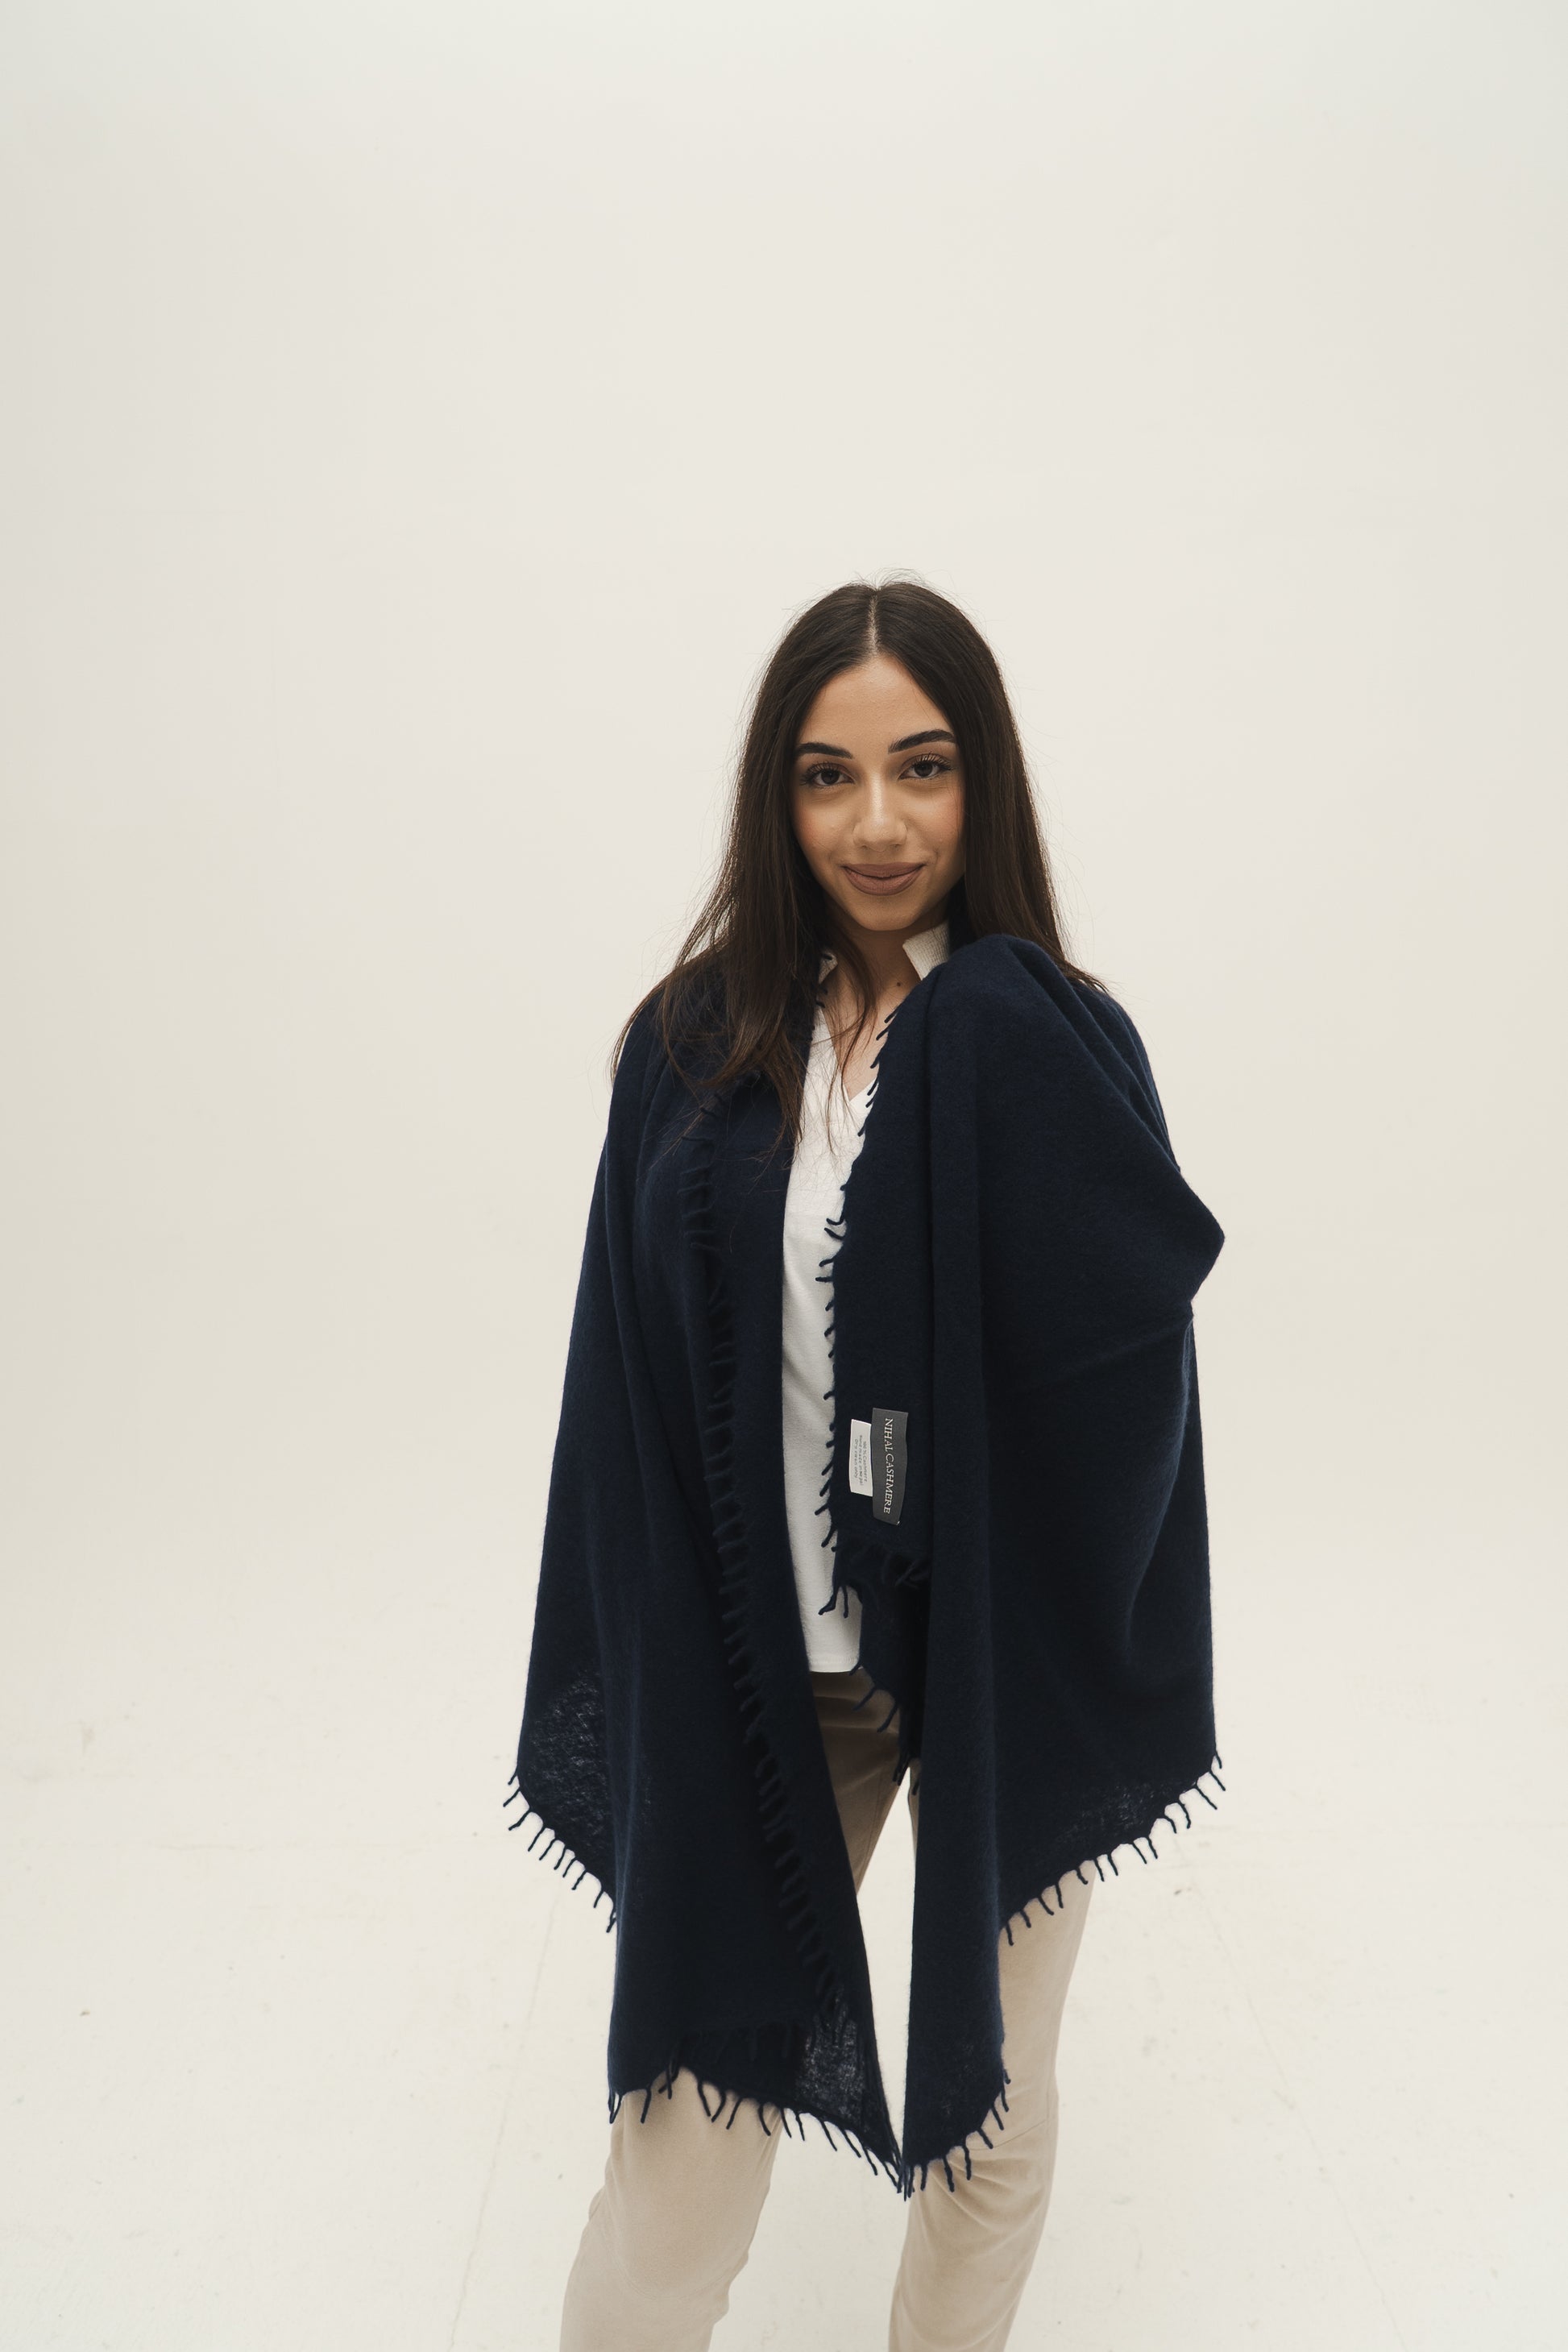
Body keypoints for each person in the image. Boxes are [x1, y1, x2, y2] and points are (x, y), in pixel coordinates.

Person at [511, 579, 1226, 2351]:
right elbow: (621, 1384)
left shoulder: (1046, 1033)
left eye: (924, 766)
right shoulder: (690, 1049)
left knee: (990, 2117)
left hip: (996, 1655)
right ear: (780, 795)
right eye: (830, 776)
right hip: (773, 1668)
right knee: (679, 2161)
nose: (880, 822)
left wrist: (985, 1040)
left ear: (984, 783)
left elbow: (1137, 1338)